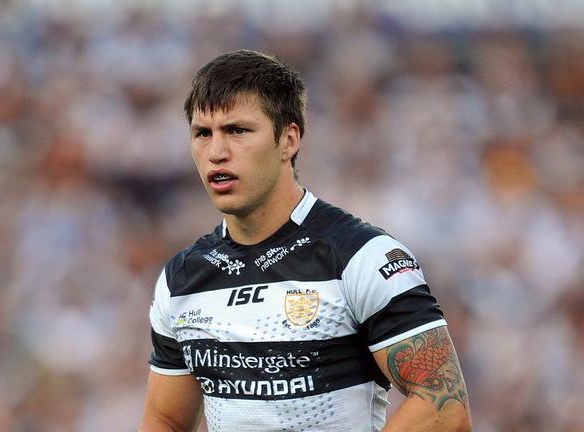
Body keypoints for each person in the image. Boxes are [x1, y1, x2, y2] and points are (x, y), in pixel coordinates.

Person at [138, 49, 472, 432]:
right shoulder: (181, 278)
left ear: (288, 140)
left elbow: (444, 406)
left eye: (238, 131)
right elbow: (165, 419)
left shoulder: (361, 256)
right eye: (202, 134)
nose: (216, 152)